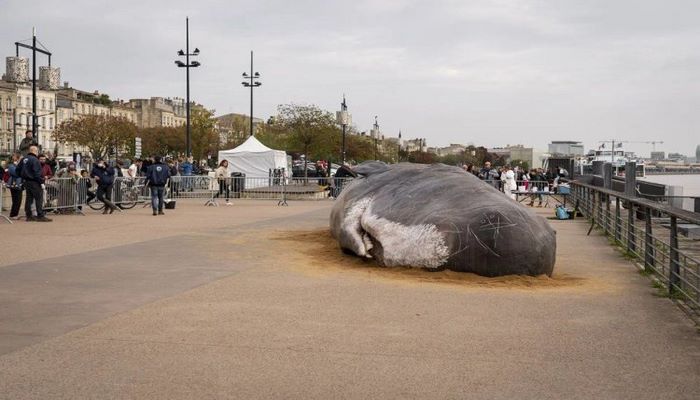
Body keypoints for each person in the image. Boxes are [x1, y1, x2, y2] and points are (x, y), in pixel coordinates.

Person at [19, 145, 52, 222]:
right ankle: (40, 215)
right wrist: (41, 181)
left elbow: (18, 170)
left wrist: (23, 177)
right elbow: (37, 173)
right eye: (37, 151)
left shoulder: (24, 159)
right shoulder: (35, 160)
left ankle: (29, 215)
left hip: (26, 181)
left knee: (29, 199)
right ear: (35, 151)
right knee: (39, 198)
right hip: (34, 181)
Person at [7, 153, 23, 219]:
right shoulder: (11, 165)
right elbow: (16, 173)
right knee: (16, 200)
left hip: (19, 184)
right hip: (14, 184)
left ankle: (14, 214)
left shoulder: (17, 165)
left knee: (18, 200)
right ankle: (13, 215)